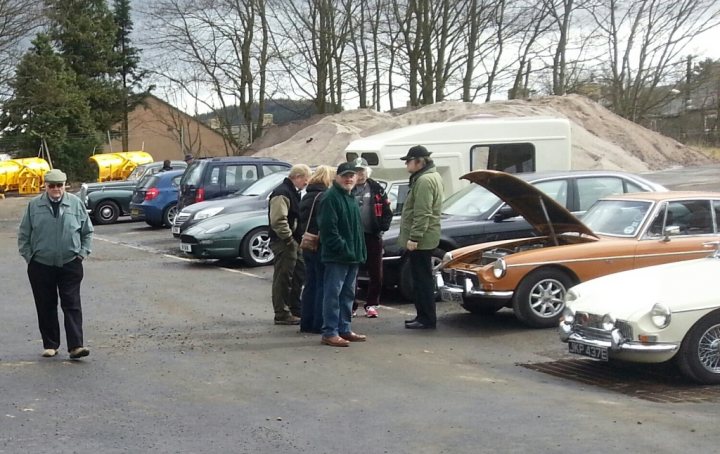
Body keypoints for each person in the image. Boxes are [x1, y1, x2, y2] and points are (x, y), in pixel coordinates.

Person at [18, 169, 94, 359]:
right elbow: (24, 235)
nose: (55, 189)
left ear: (64, 185)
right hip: (41, 264)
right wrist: (30, 257)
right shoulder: (34, 206)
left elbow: (87, 232)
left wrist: (82, 254)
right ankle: (50, 344)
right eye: (51, 185)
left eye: (59, 185)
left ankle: (76, 346)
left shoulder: (75, 204)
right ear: (45, 186)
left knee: (72, 303)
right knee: (45, 304)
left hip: (70, 262)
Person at [318, 162, 367, 347]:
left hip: (352, 256)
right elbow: (328, 229)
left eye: (352, 175)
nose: (349, 178)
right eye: (345, 175)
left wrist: (359, 251)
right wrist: (343, 248)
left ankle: (344, 329)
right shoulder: (331, 197)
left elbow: (355, 229)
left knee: (347, 294)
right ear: (337, 177)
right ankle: (330, 332)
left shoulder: (351, 197)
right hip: (337, 256)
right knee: (333, 294)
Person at [398, 145, 444, 330]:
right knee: (421, 278)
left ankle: (426, 318)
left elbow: (423, 212)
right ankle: (423, 316)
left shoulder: (424, 180)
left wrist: (415, 238)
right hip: (427, 237)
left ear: (419, 161)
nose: (407, 164)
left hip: (422, 240)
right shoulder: (431, 176)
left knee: (422, 280)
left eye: (408, 161)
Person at [268, 164, 312, 325]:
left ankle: (294, 308)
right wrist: (288, 239)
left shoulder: (290, 192)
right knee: (283, 278)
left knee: (297, 274)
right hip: (284, 242)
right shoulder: (282, 193)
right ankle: (281, 312)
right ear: (298, 177)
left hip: (291, 240)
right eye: (305, 180)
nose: (306, 184)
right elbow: (278, 220)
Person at [350, 157, 393, 318]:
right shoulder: (349, 188)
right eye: (356, 171)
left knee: (376, 272)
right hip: (353, 237)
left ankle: (372, 304)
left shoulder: (376, 189)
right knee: (352, 271)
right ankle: (351, 305)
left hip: (372, 235)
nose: (359, 175)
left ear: (367, 172)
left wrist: (382, 228)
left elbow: (387, 210)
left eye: (362, 171)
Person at [298, 165, 336, 334]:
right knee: (321, 283)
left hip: (307, 243)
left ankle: (306, 321)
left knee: (310, 283)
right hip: (319, 244)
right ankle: (318, 322)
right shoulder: (324, 197)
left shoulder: (307, 196)